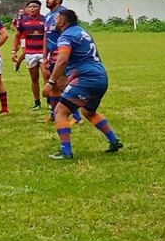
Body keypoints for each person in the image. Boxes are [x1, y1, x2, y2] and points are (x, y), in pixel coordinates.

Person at [46, 10, 123, 160]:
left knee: (60, 112)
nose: (53, 22)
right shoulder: (81, 31)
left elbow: (62, 60)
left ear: (62, 21)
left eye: (56, 19)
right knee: (89, 112)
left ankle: (66, 152)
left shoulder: (66, 36)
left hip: (85, 79)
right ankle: (114, 141)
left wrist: (51, 81)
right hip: (101, 77)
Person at [43, 0, 79, 124]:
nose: (47, 0)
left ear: (58, 0)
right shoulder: (47, 16)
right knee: (53, 86)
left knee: (63, 85)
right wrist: (44, 56)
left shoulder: (63, 15)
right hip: (51, 54)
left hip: (62, 53)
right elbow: (45, 37)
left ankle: (76, 117)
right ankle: (53, 114)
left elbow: (70, 34)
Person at [12, 0, 46, 110]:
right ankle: (37, 102)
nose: (32, 8)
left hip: (43, 53)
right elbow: (17, 35)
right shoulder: (24, 21)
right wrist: (14, 51)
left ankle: (51, 102)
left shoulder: (45, 20)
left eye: (34, 6)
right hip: (30, 53)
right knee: (34, 78)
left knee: (47, 76)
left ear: (39, 8)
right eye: (30, 6)